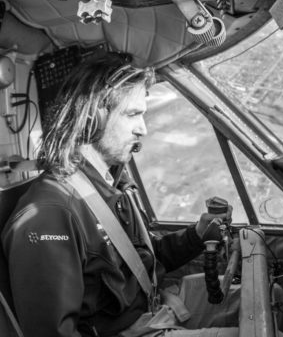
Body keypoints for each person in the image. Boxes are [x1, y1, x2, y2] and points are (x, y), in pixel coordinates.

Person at [1, 52, 241, 337]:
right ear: (93, 117)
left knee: (268, 296)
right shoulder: (50, 216)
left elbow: (139, 262)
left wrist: (196, 236)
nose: (144, 128)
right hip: (129, 330)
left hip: (152, 309)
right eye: (132, 114)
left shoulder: (112, 186)